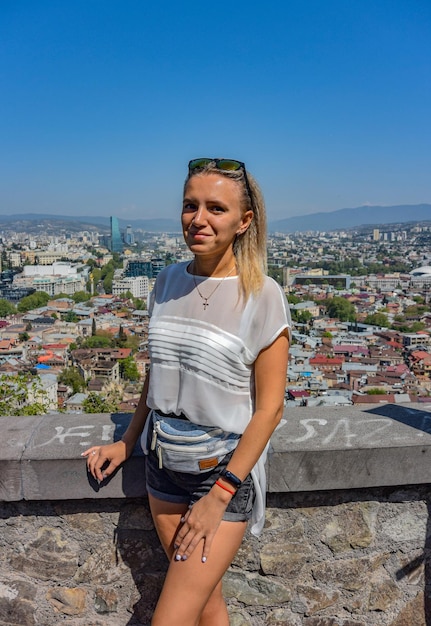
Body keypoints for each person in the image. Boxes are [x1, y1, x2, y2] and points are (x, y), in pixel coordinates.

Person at [83, 157, 291, 625]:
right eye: (189, 206)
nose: (199, 219)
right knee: (207, 607)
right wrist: (127, 440)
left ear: (245, 220)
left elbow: (270, 410)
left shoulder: (264, 295)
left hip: (219, 472)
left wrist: (220, 494)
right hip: (163, 464)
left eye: (216, 208)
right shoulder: (166, 281)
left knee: (171, 617)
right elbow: (157, 374)